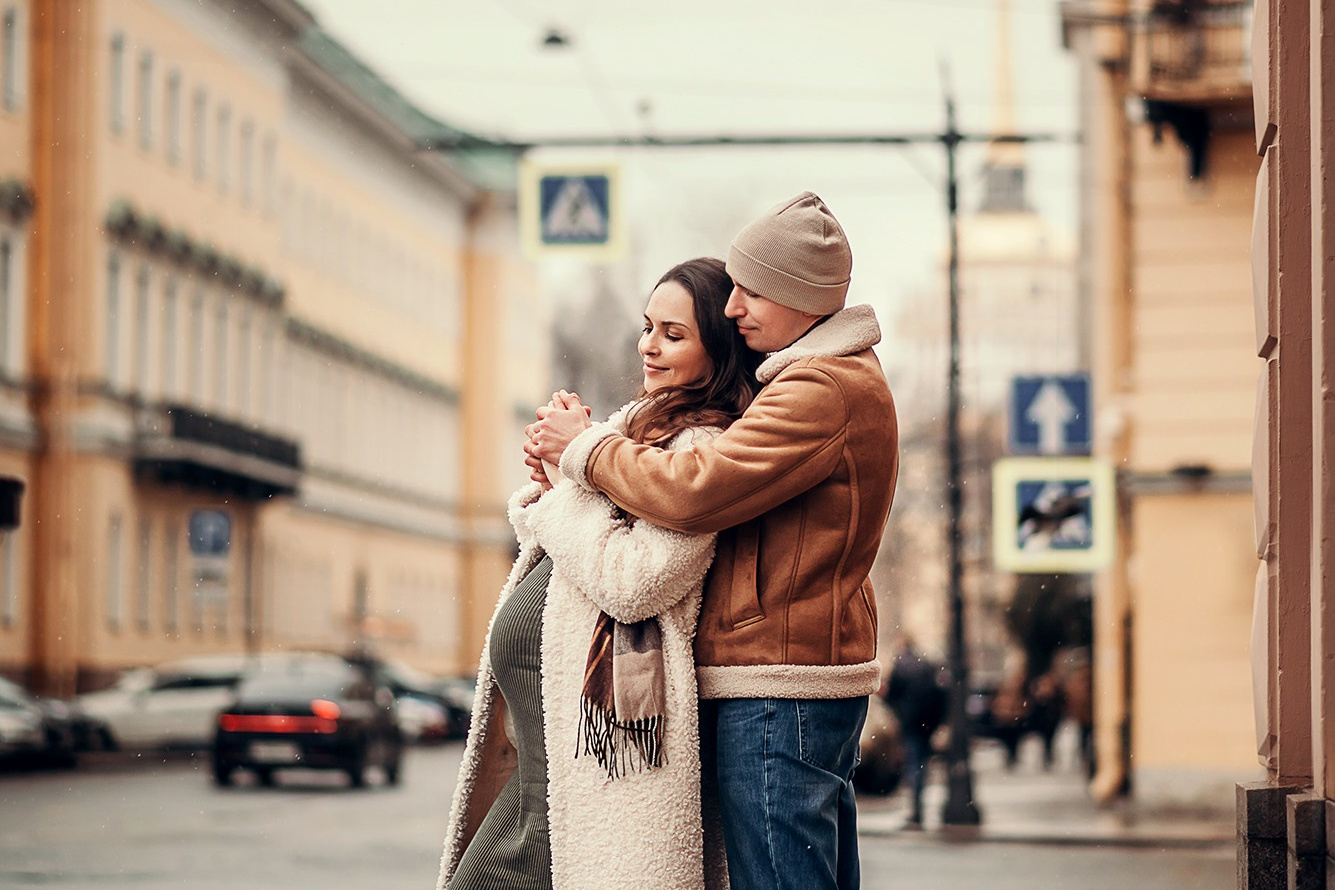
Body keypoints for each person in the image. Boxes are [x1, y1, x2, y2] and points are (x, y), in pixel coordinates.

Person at [529, 191, 899, 890]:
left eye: (752, 292)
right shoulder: (813, 381)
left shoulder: (820, 388)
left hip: (778, 683)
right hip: (785, 676)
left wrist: (585, 449)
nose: (733, 308)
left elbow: (695, 488)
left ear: (802, 295)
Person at [437, 257, 758, 890]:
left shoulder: (699, 451)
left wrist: (571, 476)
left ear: (716, 351)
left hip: (598, 776)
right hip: (545, 775)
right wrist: (557, 477)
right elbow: (577, 541)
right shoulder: (632, 432)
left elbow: (634, 580)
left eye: (674, 334)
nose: (650, 346)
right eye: (647, 328)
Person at [883, 635, 947, 829]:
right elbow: (940, 693)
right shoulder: (926, 665)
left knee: (913, 765)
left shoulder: (901, 666)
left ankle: (916, 811)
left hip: (910, 723)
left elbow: (891, 695)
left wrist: (899, 710)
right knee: (921, 765)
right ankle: (919, 807)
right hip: (926, 724)